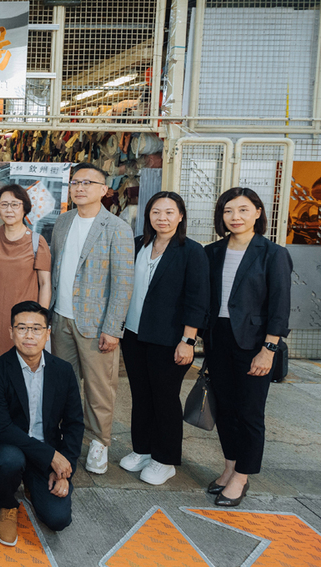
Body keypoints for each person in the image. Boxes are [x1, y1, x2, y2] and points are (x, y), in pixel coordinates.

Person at [203, 187, 292, 507]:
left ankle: (243, 476)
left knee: (250, 412)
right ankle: (229, 467)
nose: (235, 217)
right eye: (228, 211)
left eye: (242, 210)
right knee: (224, 408)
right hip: (218, 338)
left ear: (258, 212)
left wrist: (269, 348)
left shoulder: (273, 253)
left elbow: (280, 306)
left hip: (254, 343)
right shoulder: (211, 252)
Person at [119, 192, 210, 485]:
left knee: (165, 399)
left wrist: (188, 340)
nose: (163, 218)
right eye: (156, 212)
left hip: (171, 340)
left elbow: (198, 299)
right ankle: (142, 450)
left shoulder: (191, 251)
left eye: (170, 212)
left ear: (181, 216)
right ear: (148, 216)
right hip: (134, 335)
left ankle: (165, 459)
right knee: (140, 395)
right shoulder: (138, 245)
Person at [49, 163, 134, 475]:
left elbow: (123, 282)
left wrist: (113, 329)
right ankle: (66, 437)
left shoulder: (117, 228)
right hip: (61, 319)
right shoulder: (62, 222)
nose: (79, 188)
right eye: (75, 183)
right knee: (63, 384)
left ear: (104, 190)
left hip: (96, 324)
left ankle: (99, 443)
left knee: (100, 389)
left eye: (87, 183)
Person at [0, 301, 84, 545]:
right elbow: (3, 427)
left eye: (37, 328)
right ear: (11, 332)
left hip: (46, 451)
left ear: (48, 333)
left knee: (58, 519)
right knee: (10, 460)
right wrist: (51, 455)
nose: (29, 335)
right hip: (10, 445)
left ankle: (30, 483)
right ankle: (7, 503)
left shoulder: (63, 370)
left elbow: (74, 424)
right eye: (22, 328)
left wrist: (65, 470)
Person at [0, 184, 52, 356]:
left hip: (25, 321)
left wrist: (40, 321)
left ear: (24, 208)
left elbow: (45, 284)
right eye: (4, 204)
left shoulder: (37, 242)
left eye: (15, 204)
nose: (9, 209)